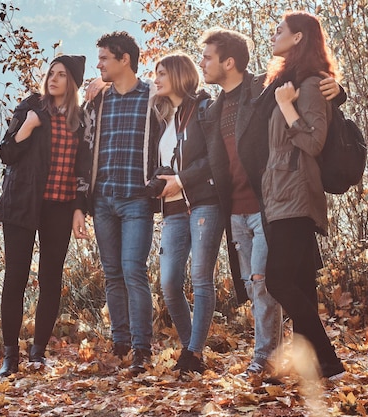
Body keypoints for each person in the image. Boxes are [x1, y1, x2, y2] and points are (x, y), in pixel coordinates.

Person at [198, 27, 345, 379]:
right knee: (284, 283)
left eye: (207, 57)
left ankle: (294, 359)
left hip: (274, 200)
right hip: (241, 206)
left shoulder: (263, 87)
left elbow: (312, 94)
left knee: (274, 282)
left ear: (229, 62)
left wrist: (339, 92)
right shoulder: (214, 108)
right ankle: (316, 365)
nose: (201, 63)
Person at [261, 11, 345, 379]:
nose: (274, 35)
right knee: (300, 285)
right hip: (280, 193)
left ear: (298, 38)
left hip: (295, 194)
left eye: (280, 30)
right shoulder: (285, 80)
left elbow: (313, 141)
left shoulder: (310, 84)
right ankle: (321, 366)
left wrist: (286, 107)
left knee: (278, 280)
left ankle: (328, 358)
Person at [0, 54, 89, 377]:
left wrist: (79, 207)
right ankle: (10, 356)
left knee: (50, 279)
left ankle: (38, 353)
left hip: (59, 208)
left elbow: (83, 168)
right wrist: (28, 127)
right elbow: (6, 152)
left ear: (72, 82)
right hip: (22, 203)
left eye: (61, 74)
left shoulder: (81, 119)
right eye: (51, 73)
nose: (54, 78)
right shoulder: (31, 108)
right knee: (16, 277)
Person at [72, 31, 160, 375]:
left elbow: (191, 94)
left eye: (105, 58)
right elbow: (82, 151)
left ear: (125, 59)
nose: (99, 65)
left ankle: (142, 348)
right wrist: (80, 203)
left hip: (137, 200)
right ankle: (120, 343)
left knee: (133, 271)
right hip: (104, 200)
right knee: (112, 274)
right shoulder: (98, 101)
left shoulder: (153, 95)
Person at [149, 53, 224, 374]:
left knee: (201, 279)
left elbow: (213, 159)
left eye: (162, 73)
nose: (156, 79)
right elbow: (167, 162)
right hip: (173, 209)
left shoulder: (204, 109)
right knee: (168, 283)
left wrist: (181, 179)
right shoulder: (167, 118)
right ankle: (190, 349)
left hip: (205, 201)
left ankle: (192, 354)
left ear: (179, 75)